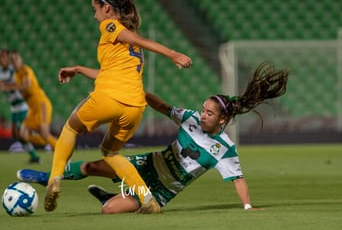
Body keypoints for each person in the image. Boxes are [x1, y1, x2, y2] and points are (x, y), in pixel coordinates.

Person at [17, 62, 288, 213]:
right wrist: (139, 93)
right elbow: (163, 107)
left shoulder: (224, 148)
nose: (202, 114)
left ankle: (108, 197)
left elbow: (238, 179)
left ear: (222, 120)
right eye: (203, 109)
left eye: (208, 113)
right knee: (92, 166)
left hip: (162, 190)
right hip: (148, 164)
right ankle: (47, 177)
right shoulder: (190, 118)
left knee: (109, 211)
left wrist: (248, 206)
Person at [44, 0, 192, 214]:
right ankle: (148, 200)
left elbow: (135, 39)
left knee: (70, 128)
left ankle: (54, 179)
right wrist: (80, 69)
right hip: (134, 107)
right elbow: (111, 71)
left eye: (96, 9)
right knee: (110, 153)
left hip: (110, 97)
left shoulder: (110, 26)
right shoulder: (126, 46)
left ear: (107, 8)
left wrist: (172, 54)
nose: (95, 16)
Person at [0, 51, 58, 153]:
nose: (14, 61)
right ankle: (54, 142)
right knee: (23, 134)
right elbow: (19, 88)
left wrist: (6, 86)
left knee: (44, 132)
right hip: (32, 108)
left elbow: (26, 85)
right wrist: (4, 85)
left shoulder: (25, 70)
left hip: (41, 103)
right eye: (12, 60)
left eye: (16, 58)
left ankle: (59, 150)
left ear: (21, 59)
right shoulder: (16, 74)